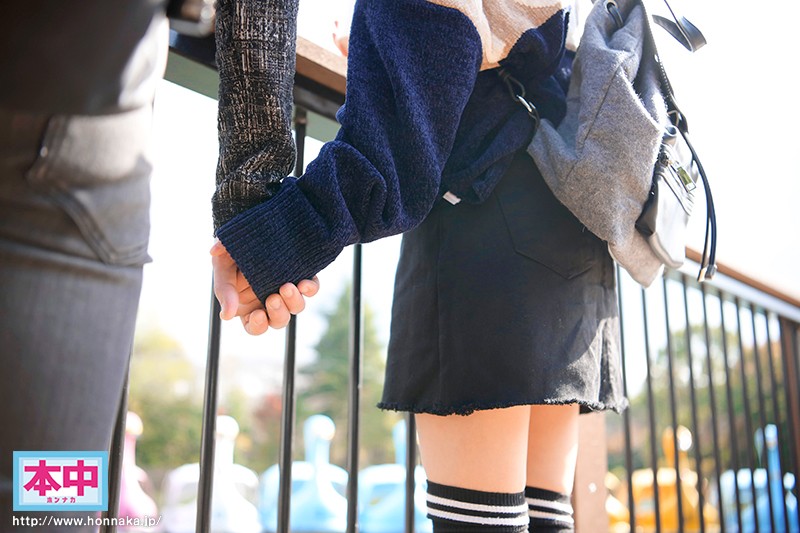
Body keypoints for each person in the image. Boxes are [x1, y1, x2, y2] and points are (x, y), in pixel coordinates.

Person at [212, 0, 627, 531]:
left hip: (484, 199)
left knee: (482, 524)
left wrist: (272, 240)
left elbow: (431, 40)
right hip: (565, 189)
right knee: (546, 516)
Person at [0, 2, 314, 531]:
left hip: (75, 142)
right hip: (79, 134)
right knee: (47, 508)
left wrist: (253, 221)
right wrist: (253, 210)